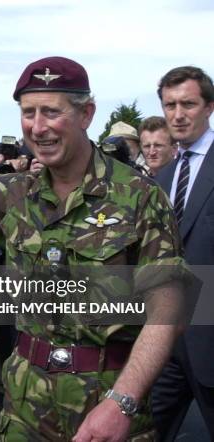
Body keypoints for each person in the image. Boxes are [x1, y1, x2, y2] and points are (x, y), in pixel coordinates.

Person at [0, 55, 188, 441]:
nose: (37, 127)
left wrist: (122, 401)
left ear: (86, 113)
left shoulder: (139, 197)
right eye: (28, 113)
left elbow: (169, 309)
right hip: (25, 404)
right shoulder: (13, 192)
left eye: (51, 112)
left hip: (106, 402)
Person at [151, 66, 214, 441]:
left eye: (188, 104)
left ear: (208, 107)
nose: (177, 114)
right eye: (170, 104)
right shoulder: (162, 177)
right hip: (165, 344)